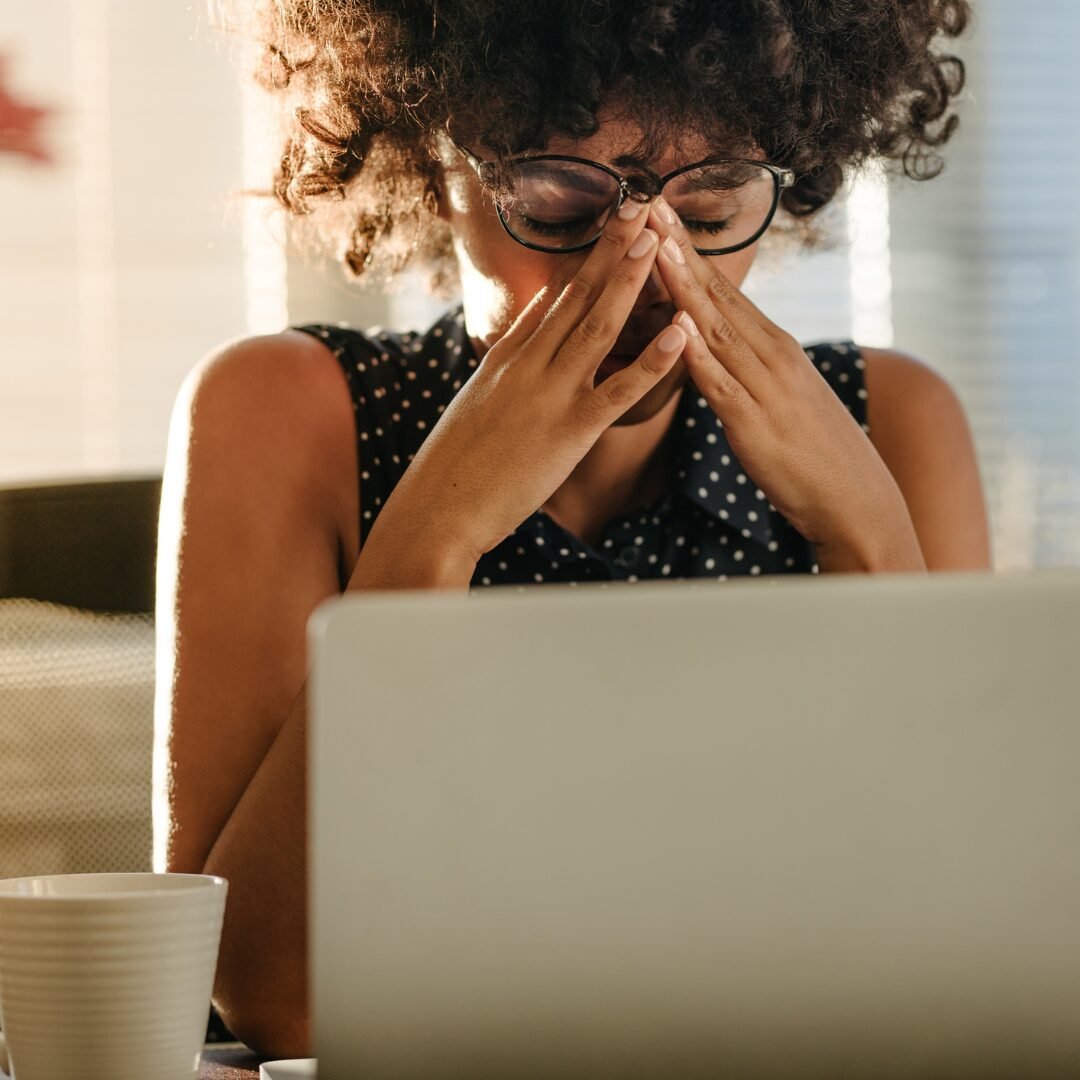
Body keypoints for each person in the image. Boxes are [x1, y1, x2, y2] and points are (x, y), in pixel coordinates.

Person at [155, 0, 990, 1057]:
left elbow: (965, 961)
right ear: (431, 162)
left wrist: (869, 534)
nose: (639, 266)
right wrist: (435, 534)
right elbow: (274, 997)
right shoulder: (286, 412)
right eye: (554, 201)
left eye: (716, 198)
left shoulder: (896, 424)